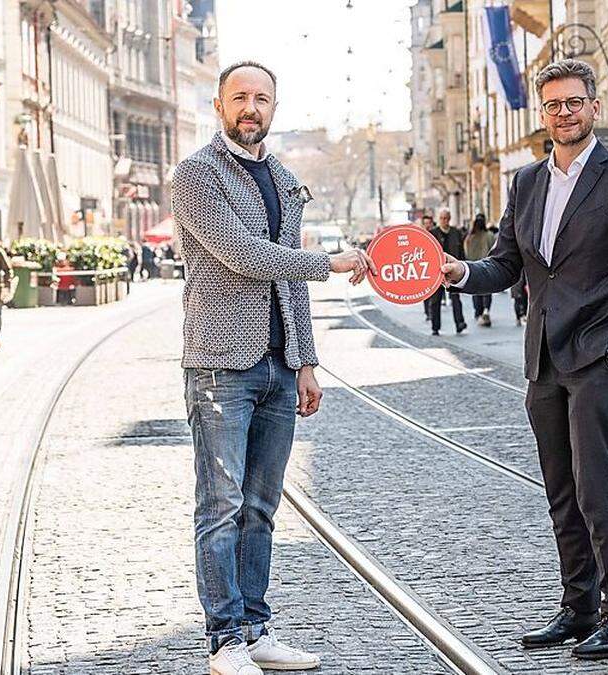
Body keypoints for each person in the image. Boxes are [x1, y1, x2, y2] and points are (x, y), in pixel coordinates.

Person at [442, 58, 608, 662]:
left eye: (573, 102)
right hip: (542, 357)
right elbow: (508, 264)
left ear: (594, 106)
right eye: (553, 105)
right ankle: (578, 608)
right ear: (542, 114)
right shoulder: (527, 182)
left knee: (599, 492)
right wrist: (461, 272)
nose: (563, 113)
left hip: (597, 357)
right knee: (561, 492)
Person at [170, 60, 375, 675]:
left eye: (262, 98)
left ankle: (257, 630)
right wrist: (328, 261)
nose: (251, 108)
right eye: (240, 98)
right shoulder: (196, 175)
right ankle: (226, 641)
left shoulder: (285, 179)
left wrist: (307, 362)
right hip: (219, 363)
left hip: (278, 368)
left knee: (261, 506)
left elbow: (288, 286)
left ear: (274, 108)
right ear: (218, 105)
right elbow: (240, 256)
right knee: (221, 503)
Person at [428, 208, 466, 335]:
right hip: (437, 271)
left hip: (453, 270)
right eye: (442, 218)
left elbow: (461, 251)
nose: (444, 221)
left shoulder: (456, 232)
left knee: (456, 297)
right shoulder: (433, 233)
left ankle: (460, 323)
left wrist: (463, 266)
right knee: (435, 300)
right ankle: (435, 326)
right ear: (439, 219)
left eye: (446, 218)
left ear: (449, 219)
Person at [464, 213, 496, 327]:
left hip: (473, 266)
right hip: (487, 265)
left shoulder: (470, 237)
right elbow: (494, 249)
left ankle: (478, 312)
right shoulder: (490, 235)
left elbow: (466, 252)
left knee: (475, 291)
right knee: (488, 290)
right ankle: (486, 310)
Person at [419, 213, 435, 321]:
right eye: (425, 224)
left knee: (433, 292)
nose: (427, 226)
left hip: (434, 267)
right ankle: (427, 312)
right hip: (422, 268)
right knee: (425, 293)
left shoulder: (435, 235)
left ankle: (431, 312)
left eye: (429, 223)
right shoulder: (419, 236)